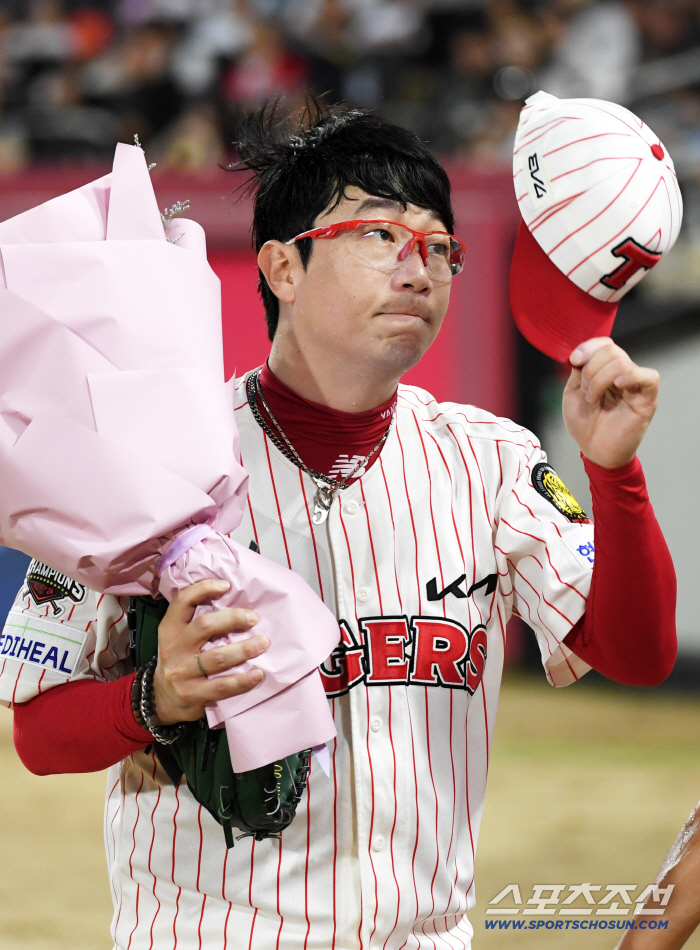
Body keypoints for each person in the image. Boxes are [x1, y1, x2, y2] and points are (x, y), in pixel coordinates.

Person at [2, 98, 677, 949]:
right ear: (283, 267)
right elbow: (38, 734)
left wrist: (614, 473)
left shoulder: (492, 461)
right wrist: (156, 695)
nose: (418, 268)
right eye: (378, 234)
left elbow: (638, 656)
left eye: (439, 246)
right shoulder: (149, 451)